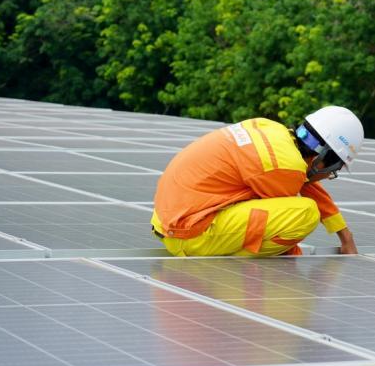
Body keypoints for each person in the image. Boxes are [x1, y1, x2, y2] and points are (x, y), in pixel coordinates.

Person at [151, 106, 363, 257]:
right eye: (334, 171)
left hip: (168, 220)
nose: (329, 176)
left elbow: (305, 182)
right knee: (305, 213)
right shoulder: (285, 169)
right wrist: (293, 261)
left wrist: (345, 235)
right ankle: (228, 262)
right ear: (322, 159)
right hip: (190, 233)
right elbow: (286, 219)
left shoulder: (273, 132)